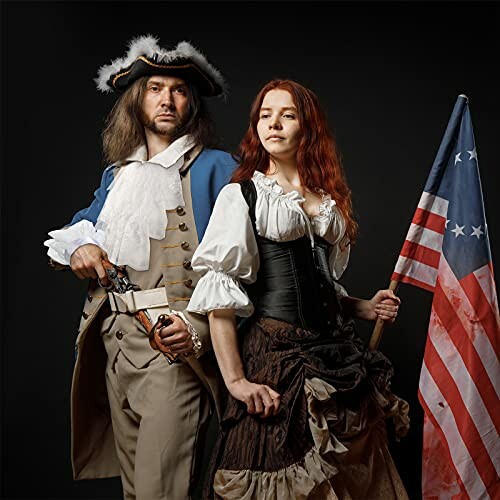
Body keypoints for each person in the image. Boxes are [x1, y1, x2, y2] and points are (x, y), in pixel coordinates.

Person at [186, 79, 410, 499]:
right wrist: (236, 382)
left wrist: (361, 307)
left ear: (308, 127)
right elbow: (220, 298)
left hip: (338, 354)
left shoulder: (327, 199)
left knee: (350, 478)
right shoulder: (242, 195)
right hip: (277, 357)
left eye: (287, 115)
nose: (273, 124)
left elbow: (322, 283)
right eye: (264, 116)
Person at [44, 35, 236, 499]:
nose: (167, 99)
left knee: (160, 491)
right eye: (155, 88)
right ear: (137, 100)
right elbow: (81, 227)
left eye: (179, 90)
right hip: (115, 340)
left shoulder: (220, 168)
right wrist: (79, 249)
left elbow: (244, 265)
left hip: (175, 347)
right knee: (135, 491)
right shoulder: (119, 175)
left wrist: (196, 327)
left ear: (192, 104)